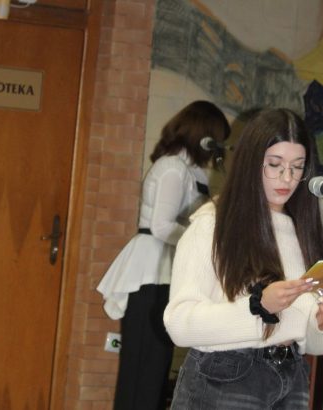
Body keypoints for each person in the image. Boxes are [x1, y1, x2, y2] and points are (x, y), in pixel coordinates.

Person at [164, 108, 323, 409]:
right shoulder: (212, 224)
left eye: (297, 167)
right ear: (251, 161)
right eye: (274, 165)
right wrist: (259, 308)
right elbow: (179, 323)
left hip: (292, 376)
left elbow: (321, 345)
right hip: (227, 376)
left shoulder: (305, 231)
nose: (286, 178)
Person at [96, 100, 230, 410]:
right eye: (216, 139)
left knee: (155, 372)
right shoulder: (172, 168)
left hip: (167, 270)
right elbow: (161, 226)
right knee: (143, 370)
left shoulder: (192, 171)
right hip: (151, 271)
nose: (217, 148)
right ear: (203, 135)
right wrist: (200, 242)